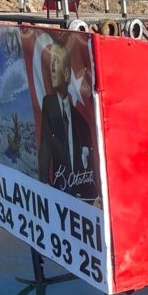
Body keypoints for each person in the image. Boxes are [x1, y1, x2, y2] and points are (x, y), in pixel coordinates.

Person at [36, 40, 97, 200]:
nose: (53, 68)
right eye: (51, 64)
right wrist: (44, 188)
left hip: (79, 195)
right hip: (58, 191)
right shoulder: (49, 104)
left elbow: (90, 165)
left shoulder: (81, 123)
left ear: (68, 74)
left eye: (56, 62)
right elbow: (44, 150)